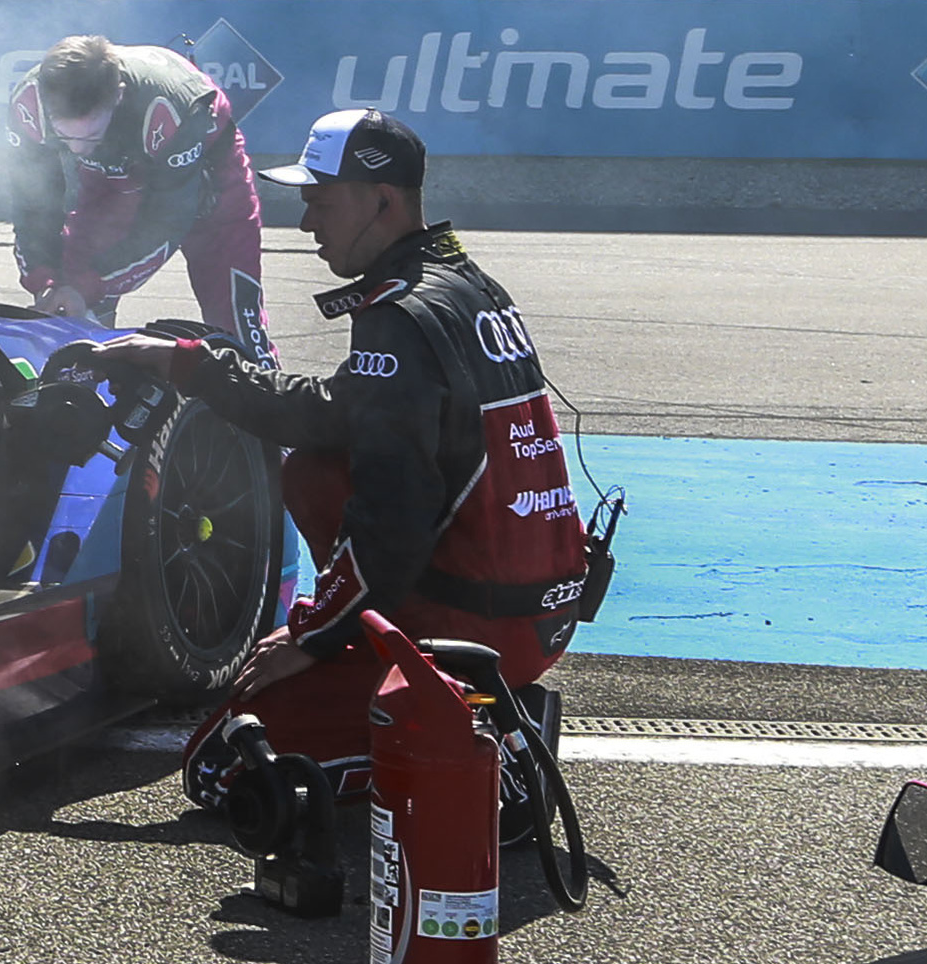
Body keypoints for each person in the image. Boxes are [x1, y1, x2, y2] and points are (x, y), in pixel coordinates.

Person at [87, 105, 591, 819]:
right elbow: (329, 414)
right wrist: (188, 364)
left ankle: (488, 748)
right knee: (317, 466)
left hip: (481, 623)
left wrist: (316, 635)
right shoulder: (461, 282)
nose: (305, 225)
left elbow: (393, 508)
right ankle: (470, 697)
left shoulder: (401, 313)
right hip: (534, 603)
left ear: (379, 200)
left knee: (221, 768)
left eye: (318, 202)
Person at [5, 32, 274, 361]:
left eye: (88, 134)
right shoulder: (29, 103)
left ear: (117, 96)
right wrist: (45, 280)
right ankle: (81, 383)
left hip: (207, 172)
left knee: (236, 321)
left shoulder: (170, 106)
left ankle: (260, 393)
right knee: (68, 292)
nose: (75, 148)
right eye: (65, 136)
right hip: (108, 177)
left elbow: (168, 219)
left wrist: (92, 284)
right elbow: (31, 202)